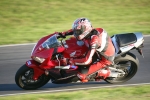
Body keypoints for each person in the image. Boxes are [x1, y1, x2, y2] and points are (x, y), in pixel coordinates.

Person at [57, 18, 115, 83]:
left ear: (85, 30)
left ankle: (107, 73)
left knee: (81, 76)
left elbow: (87, 61)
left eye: (78, 32)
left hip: (105, 59)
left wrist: (71, 61)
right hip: (98, 49)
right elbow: (74, 30)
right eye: (76, 31)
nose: (76, 33)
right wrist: (62, 34)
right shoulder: (88, 32)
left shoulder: (94, 41)